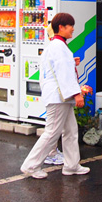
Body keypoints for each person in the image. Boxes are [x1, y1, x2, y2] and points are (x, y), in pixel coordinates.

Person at [20, 13, 90, 179]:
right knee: (52, 132)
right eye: (70, 25)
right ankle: (31, 165)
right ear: (61, 27)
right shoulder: (60, 47)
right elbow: (63, 73)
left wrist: (72, 62)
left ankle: (72, 165)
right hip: (60, 98)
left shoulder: (54, 46)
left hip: (57, 96)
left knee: (70, 131)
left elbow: (53, 70)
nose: (73, 28)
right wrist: (77, 94)